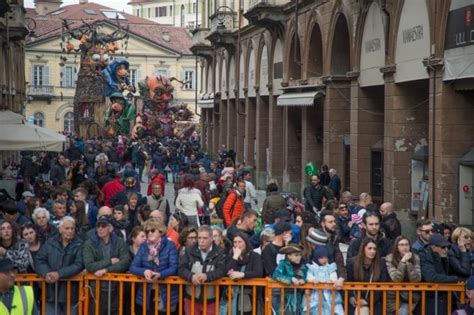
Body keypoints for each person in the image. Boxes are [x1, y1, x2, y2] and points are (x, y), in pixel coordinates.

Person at [35, 216, 83, 315]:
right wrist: (46, 273)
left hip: (71, 293)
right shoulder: (50, 242)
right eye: (67, 228)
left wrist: (59, 274)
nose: (70, 231)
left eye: (72, 228)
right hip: (50, 292)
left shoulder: (80, 244)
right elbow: (39, 260)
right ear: (60, 229)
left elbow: (79, 264)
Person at [83, 215, 131, 314]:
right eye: (98, 226)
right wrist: (109, 261)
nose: (100, 228)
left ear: (110, 228)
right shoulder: (89, 243)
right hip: (97, 290)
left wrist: (106, 270)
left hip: (116, 289)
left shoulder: (119, 242)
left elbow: (125, 262)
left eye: (103, 226)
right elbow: (89, 265)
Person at [129, 219, 178, 315]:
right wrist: (144, 271)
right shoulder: (143, 246)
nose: (149, 233)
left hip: (165, 292)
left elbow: (174, 267)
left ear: (160, 231)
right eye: (147, 231)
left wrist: (160, 274)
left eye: (152, 230)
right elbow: (133, 267)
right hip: (147, 292)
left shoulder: (169, 245)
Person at [178, 225, 226, 315]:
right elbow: (181, 268)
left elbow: (222, 270)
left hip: (211, 300)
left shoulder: (220, 252)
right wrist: (191, 276)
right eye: (199, 238)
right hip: (191, 298)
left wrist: (207, 276)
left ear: (212, 239)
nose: (201, 241)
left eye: (205, 238)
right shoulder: (189, 250)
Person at [220, 233, 263, 315]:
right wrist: (235, 257)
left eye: (240, 242)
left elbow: (258, 272)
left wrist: (242, 274)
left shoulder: (254, 256)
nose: (237, 244)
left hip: (247, 296)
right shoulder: (230, 256)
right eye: (235, 242)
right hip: (231, 295)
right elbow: (226, 272)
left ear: (246, 243)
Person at [418, 233, 460, 315]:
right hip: (430, 299)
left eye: (447, 247)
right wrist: (455, 279)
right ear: (433, 247)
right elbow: (431, 277)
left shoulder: (443, 257)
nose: (446, 249)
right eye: (443, 247)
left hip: (441, 298)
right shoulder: (424, 256)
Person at [347, 238, 389, 315]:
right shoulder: (352, 262)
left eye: (374, 249)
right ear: (363, 249)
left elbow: (383, 285)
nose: (373, 251)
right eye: (369, 248)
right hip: (355, 300)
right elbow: (348, 281)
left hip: (374, 301)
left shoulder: (381, 263)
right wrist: (351, 296)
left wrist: (368, 301)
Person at [385, 236, 422, 315]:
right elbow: (396, 279)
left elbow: (416, 279)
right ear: (396, 247)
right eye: (401, 245)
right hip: (393, 297)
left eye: (406, 244)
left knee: (403, 312)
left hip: (410, 296)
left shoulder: (415, 257)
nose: (404, 247)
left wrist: (408, 263)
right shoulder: (390, 258)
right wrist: (402, 262)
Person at [304, 246, 344, 315]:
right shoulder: (312, 268)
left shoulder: (330, 267)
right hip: (315, 295)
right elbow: (308, 276)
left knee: (332, 310)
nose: (324, 260)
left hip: (329, 294)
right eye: (321, 258)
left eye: (326, 257)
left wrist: (331, 280)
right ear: (317, 258)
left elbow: (334, 276)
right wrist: (313, 280)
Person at [272, 244, 308, 315]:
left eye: (300, 255)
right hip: (283, 296)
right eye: (296, 255)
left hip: (297, 296)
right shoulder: (283, 264)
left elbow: (306, 277)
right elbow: (276, 275)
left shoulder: (303, 266)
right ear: (289, 256)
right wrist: (290, 279)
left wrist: (303, 280)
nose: (299, 257)